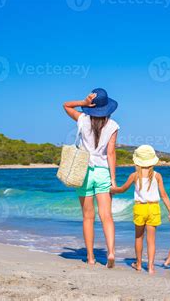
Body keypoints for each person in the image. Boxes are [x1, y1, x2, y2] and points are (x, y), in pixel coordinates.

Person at [63, 88, 119, 268]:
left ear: (92, 105)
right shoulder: (113, 126)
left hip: (84, 170)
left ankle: (90, 257)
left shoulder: (82, 120)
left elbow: (65, 105)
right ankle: (110, 252)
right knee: (107, 216)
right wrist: (113, 179)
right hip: (103, 172)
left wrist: (83, 103)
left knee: (88, 217)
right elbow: (111, 153)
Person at [111, 145, 170, 274]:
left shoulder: (135, 175)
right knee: (151, 240)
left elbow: (122, 189)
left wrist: (113, 190)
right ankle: (151, 267)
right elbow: (163, 195)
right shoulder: (157, 176)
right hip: (153, 208)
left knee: (138, 237)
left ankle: (139, 264)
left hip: (140, 208)